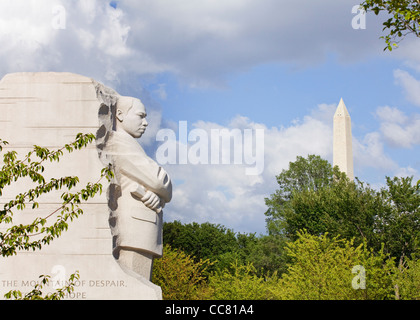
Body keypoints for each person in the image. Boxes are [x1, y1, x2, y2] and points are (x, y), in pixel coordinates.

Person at [105, 95, 172, 281]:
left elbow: (154, 185)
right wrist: (159, 190)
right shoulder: (118, 143)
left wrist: (156, 195)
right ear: (119, 114)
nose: (146, 122)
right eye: (140, 116)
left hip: (141, 226)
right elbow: (160, 181)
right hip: (133, 228)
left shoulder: (130, 145)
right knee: (133, 286)